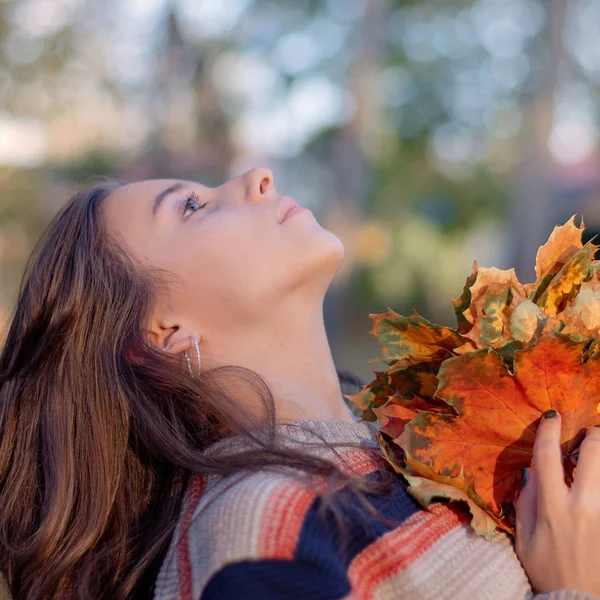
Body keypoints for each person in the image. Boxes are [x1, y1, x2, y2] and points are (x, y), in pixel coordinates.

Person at [0, 169, 598, 600]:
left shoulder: (410, 435)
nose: (256, 177)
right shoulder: (259, 533)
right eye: (190, 207)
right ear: (164, 331)